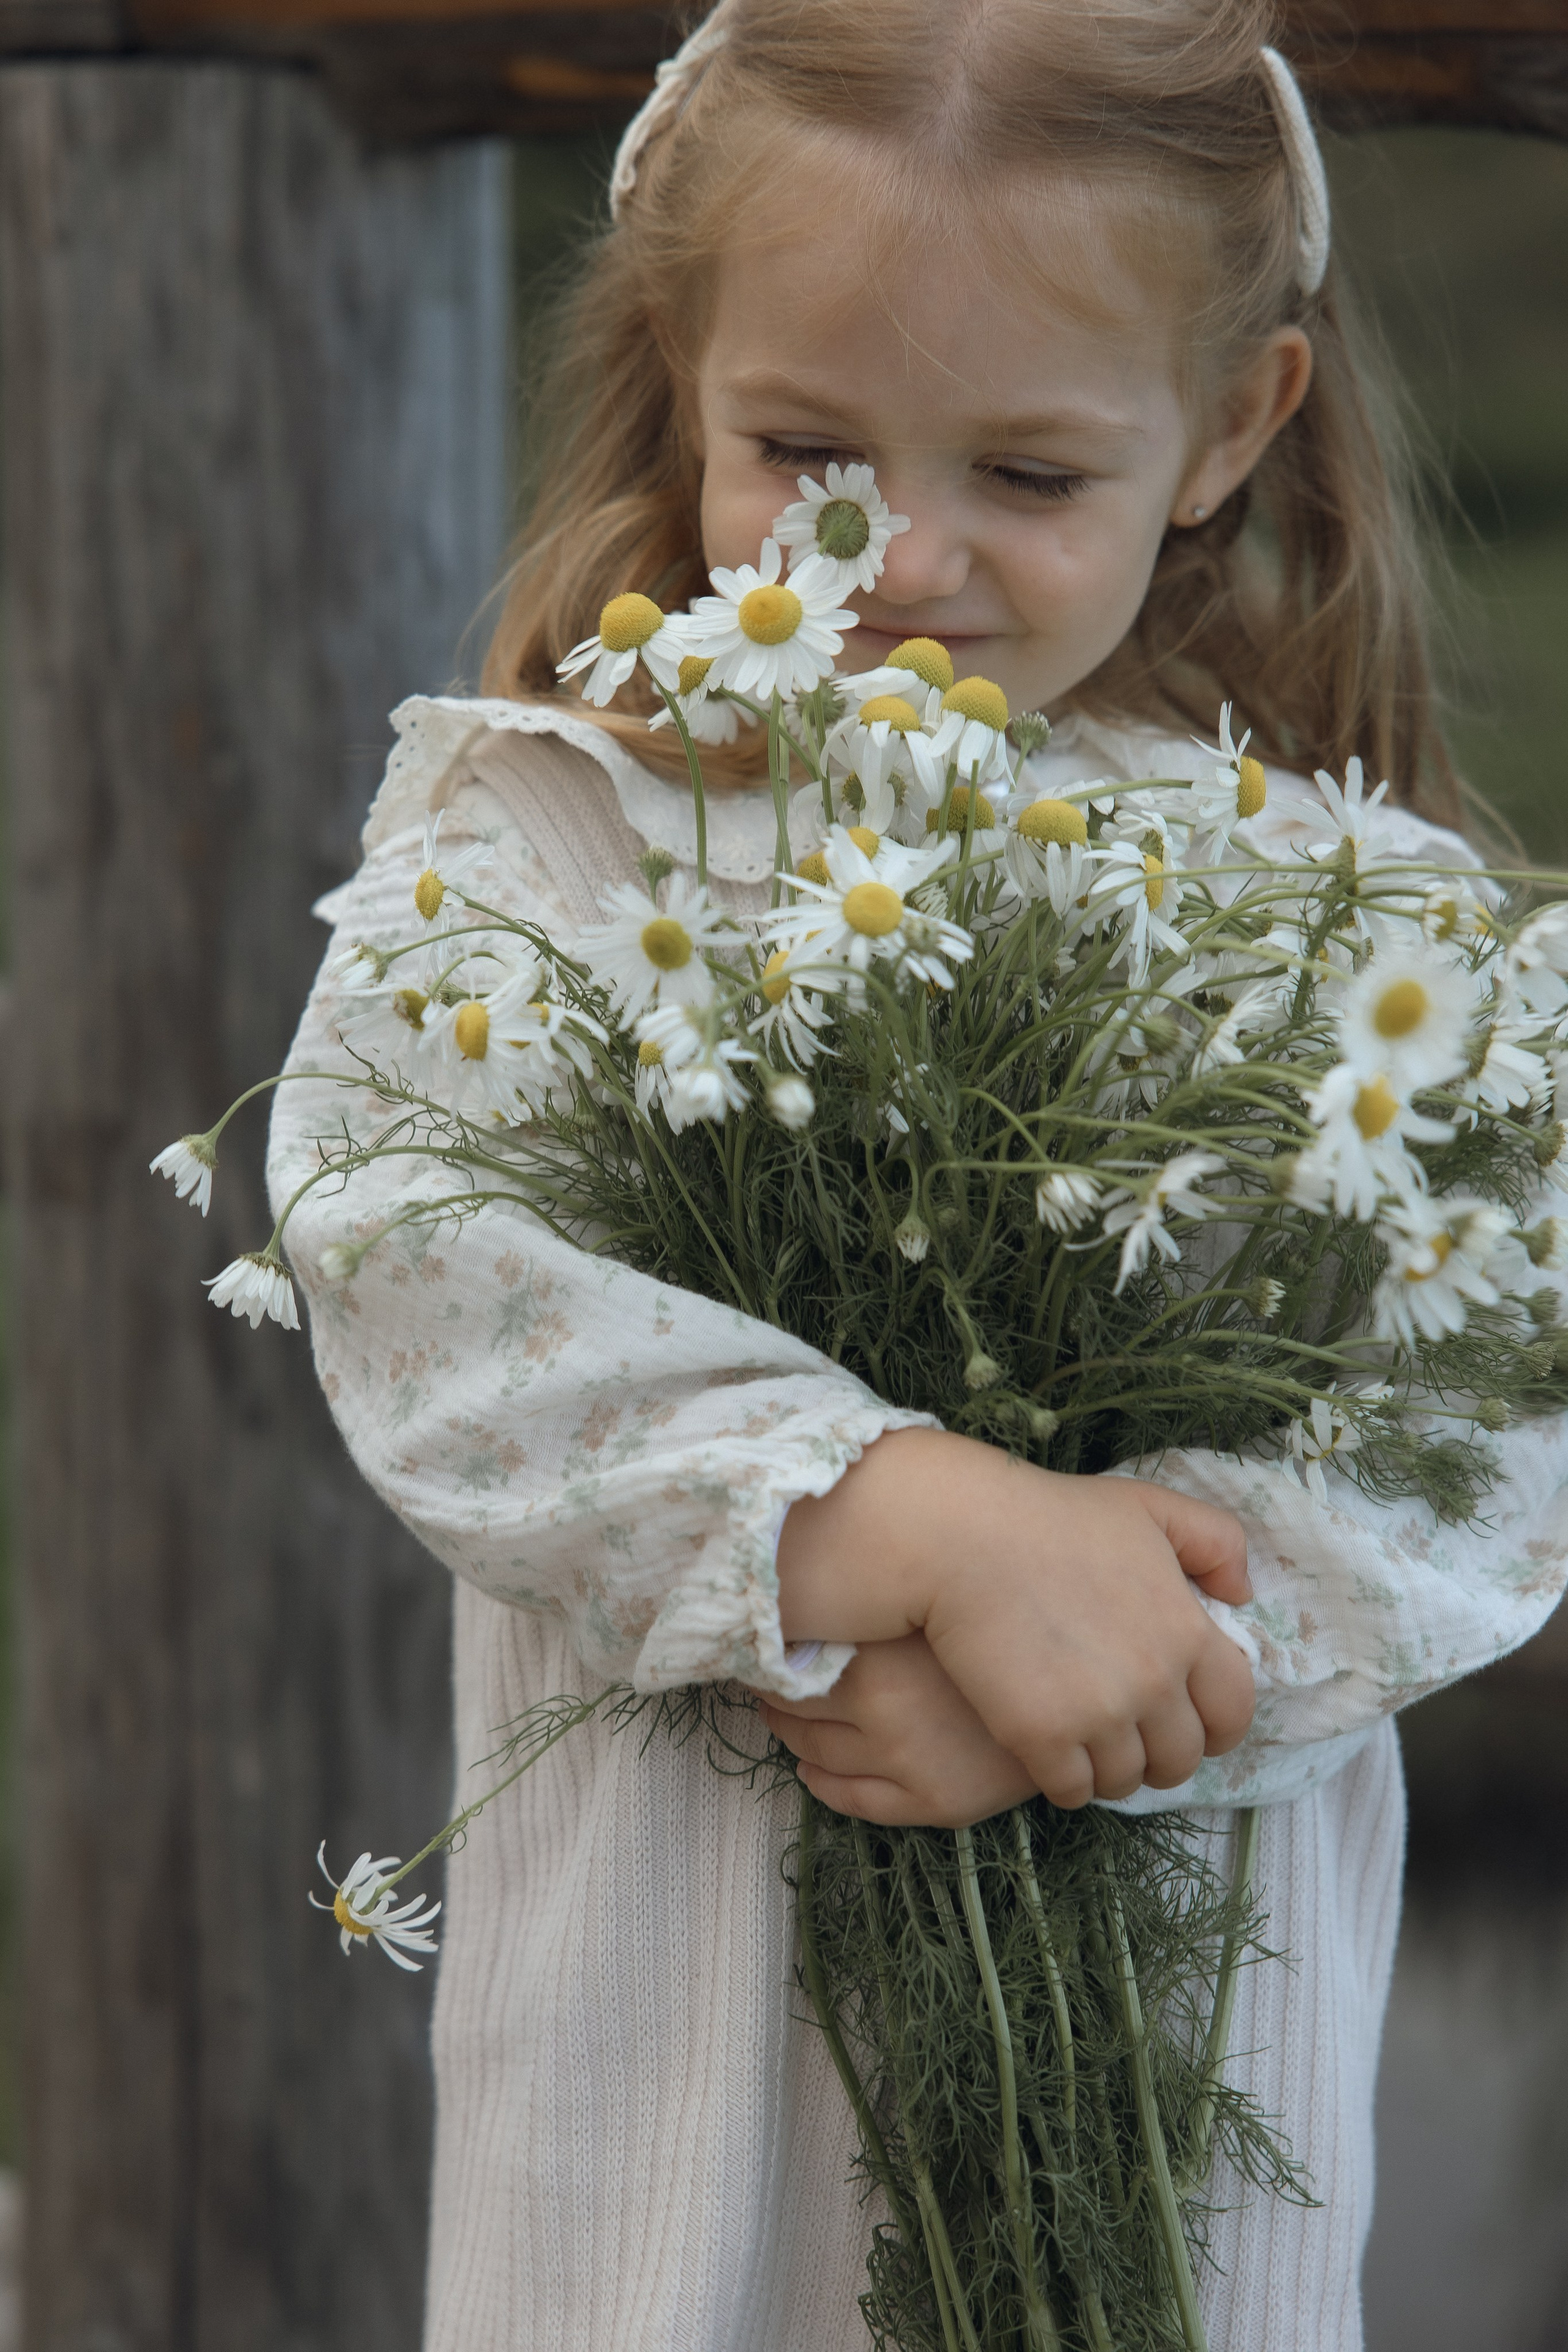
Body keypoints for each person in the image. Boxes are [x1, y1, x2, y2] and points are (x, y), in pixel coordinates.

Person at [268, 5, 1568, 2346]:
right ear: (682, 371)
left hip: (1170, 2014)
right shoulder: (554, 843)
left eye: (1033, 472)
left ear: (1231, 430)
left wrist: (1134, 1665)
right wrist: (906, 1520)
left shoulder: (1349, 925)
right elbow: (413, 1263)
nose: (902, 556)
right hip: (669, 1987)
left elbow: (1484, 1418)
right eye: (806, 448)